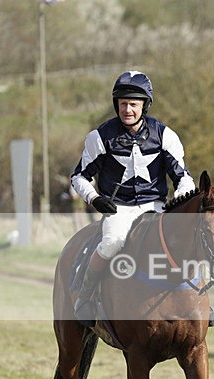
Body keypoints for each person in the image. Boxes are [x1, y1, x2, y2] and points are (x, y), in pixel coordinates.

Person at [70, 70, 196, 326]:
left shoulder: (164, 135)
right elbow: (78, 177)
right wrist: (95, 199)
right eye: (123, 103)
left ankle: (196, 302)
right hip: (120, 209)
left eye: (133, 104)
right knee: (112, 243)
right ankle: (85, 297)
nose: (127, 109)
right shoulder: (100, 137)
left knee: (186, 240)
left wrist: (180, 201)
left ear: (145, 106)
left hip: (156, 206)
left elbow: (184, 178)